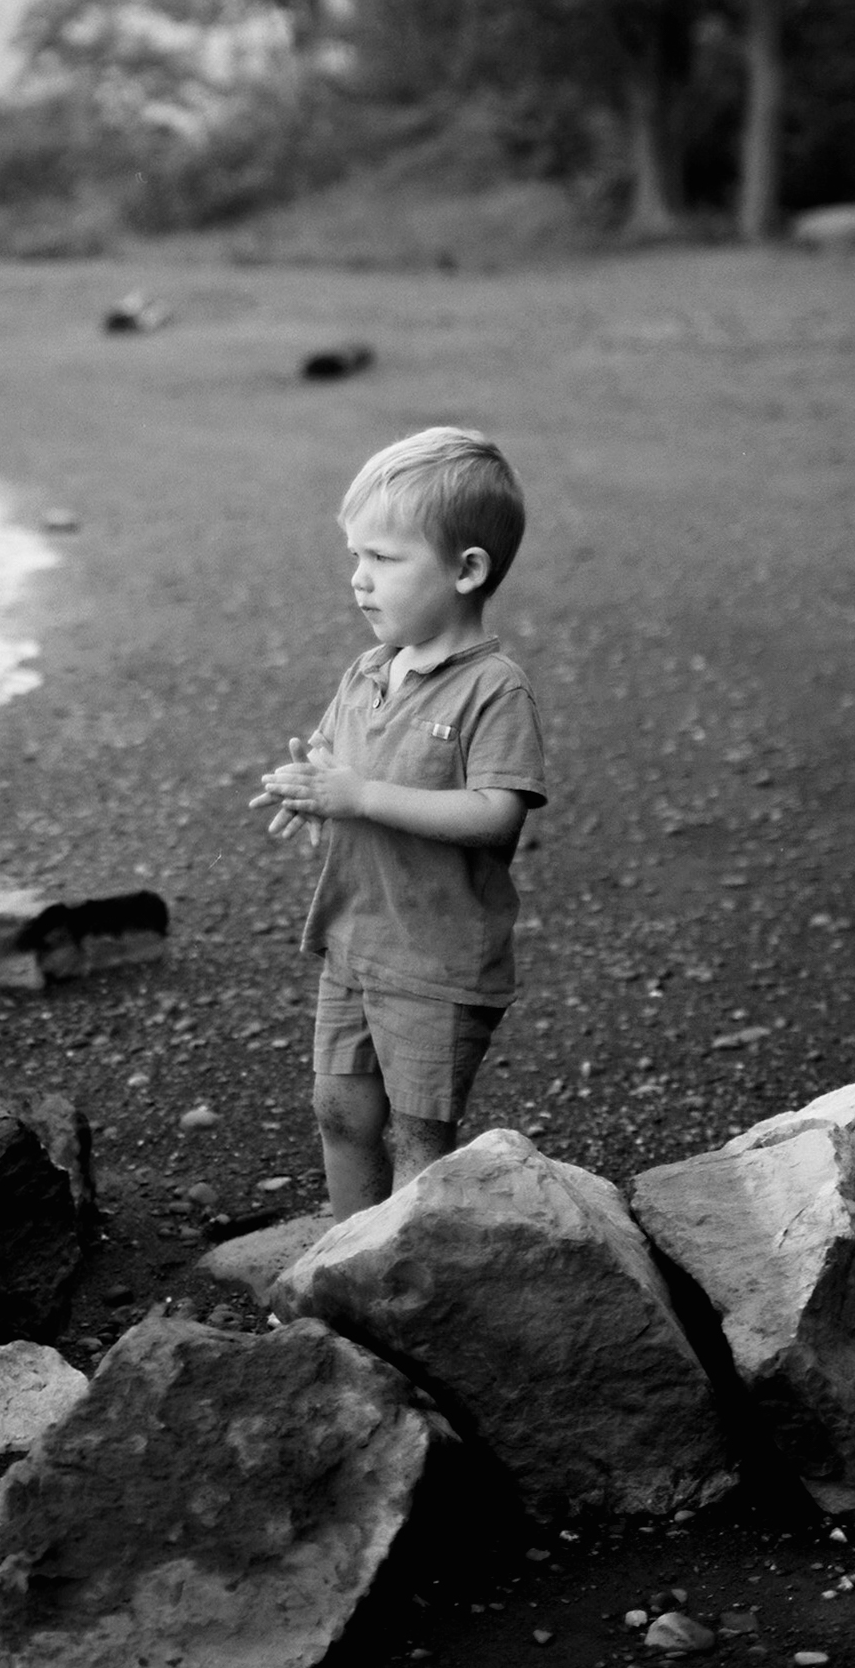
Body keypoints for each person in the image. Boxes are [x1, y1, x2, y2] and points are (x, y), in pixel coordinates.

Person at [251, 426, 548, 1217]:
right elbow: (336, 755)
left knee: (420, 1140)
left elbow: (497, 815)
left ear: (466, 570)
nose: (358, 580)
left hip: (438, 960)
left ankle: (409, 1283)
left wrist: (359, 798)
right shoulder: (369, 671)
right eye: (356, 557)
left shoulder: (494, 691)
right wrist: (308, 780)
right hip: (356, 936)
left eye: (383, 560)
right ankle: (349, 1254)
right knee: (340, 1111)